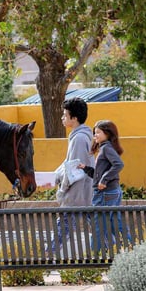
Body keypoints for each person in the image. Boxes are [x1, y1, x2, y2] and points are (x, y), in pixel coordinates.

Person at [51, 97, 95, 253]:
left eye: (65, 115)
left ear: (74, 118)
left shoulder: (79, 139)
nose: (62, 118)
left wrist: (62, 189)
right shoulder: (79, 136)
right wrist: (55, 176)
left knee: (63, 228)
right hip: (82, 193)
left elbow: (74, 170)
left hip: (77, 193)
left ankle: (48, 257)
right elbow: (68, 163)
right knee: (96, 227)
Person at [82, 119, 128, 251]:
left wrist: (104, 180)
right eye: (94, 133)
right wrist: (85, 168)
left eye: (98, 132)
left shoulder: (106, 148)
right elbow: (99, 173)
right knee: (113, 222)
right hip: (109, 191)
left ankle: (97, 253)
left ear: (107, 134)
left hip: (105, 193)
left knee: (98, 223)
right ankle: (127, 245)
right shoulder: (105, 148)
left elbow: (119, 164)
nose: (95, 135)